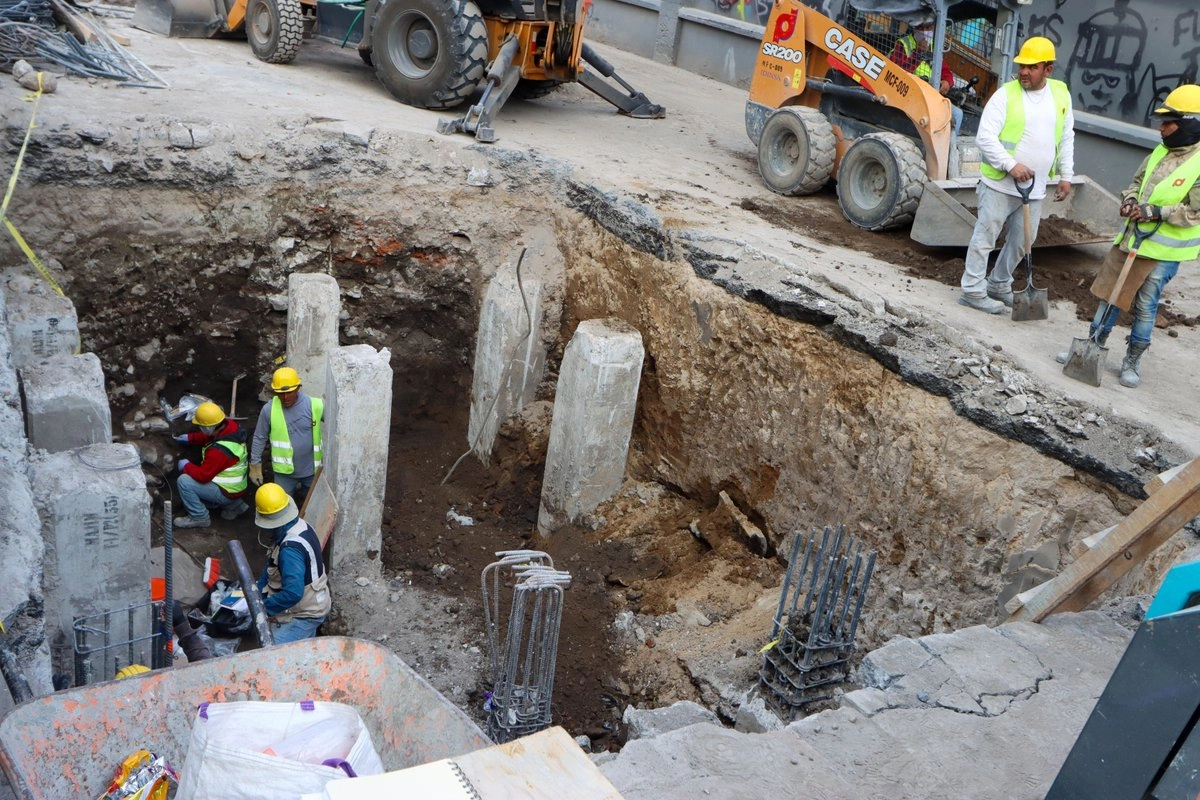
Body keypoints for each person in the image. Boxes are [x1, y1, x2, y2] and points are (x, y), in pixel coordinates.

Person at [1055, 85, 1200, 388]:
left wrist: (1156, 212)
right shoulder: (1160, 151)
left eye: (1168, 123)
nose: (1161, 129)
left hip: (1163, 251)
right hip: (1133, 238)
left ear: (1188, 124)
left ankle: (1132, 361)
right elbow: (1137, 182)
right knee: (1111, 293)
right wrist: (1131, 200)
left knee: (1146, 304)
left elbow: (1194, 212)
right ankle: (1092, 344)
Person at [958, 36, 1075, 314]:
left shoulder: (1060, 94)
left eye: (1032, 67)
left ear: (1048, 69)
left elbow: (1067, 136)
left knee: (1024, 241)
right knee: (985, 236)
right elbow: (985, 137)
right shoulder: (1005, 95)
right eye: (1022, 65)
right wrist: (1011, 165)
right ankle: (973, 290)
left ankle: (999, 284)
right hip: (999, 183)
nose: (1024, 71)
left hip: (1034, 189)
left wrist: (1066, 175)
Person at [254, 483, 331, 644]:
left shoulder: (289, 551)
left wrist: (263, 609)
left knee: (270, 651)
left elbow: (293, 593)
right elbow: (270, 566)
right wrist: (258, 593)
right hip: (314, 602)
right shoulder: (300, 526)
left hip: (305, 615)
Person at [249, 366, 324, 507]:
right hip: (284, 474)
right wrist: (255, 465)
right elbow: (259, 437)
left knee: (313, 506)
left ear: (298, 388)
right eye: (280, 393)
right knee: (281, 507)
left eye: (290, 392)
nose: (285, 397)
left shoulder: (315, 405)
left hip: (311, 471)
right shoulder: (269, 410)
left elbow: (337, 425)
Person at [173, 401, 250, 529]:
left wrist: (186, 466)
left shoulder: (218, 452)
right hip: (236, 488)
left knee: (184, 482)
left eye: (201, 427)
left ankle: (199, 517)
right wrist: (191, 438)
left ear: (208, 428)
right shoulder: (230, 427)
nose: (200, 429)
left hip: (226, 491)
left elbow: (203, 476)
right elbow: (211, 436)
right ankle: (235, 506)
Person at [890, 21, 962, 135]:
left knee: (957, 114)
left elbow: (946, 71)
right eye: (921, 28)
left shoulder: (934, 46)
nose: (925, 32)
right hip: (909, 93)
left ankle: (948, 148)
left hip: (929, 94)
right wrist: (919, 52)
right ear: (915, 27)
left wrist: (947, 82)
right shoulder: (904, 44)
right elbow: (898, 72)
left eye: (928, 28)